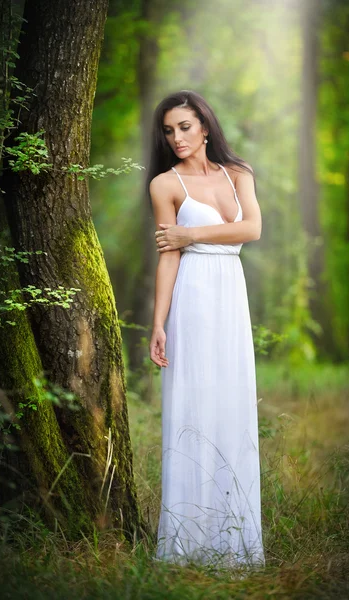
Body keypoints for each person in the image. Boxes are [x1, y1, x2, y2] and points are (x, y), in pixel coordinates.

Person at [147, 90, 265, 569]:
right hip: (192, 299)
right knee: (193, 405)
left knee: (231, 402)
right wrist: (158, 322)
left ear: (205, 128)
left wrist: (190, 232)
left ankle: (233, 538)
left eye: (185, 127)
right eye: (170, 130)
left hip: (230, 297)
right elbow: (168, 255)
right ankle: (186, 542)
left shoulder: (239, 175)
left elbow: (252, 229)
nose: (177, 137)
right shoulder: (164, 184)